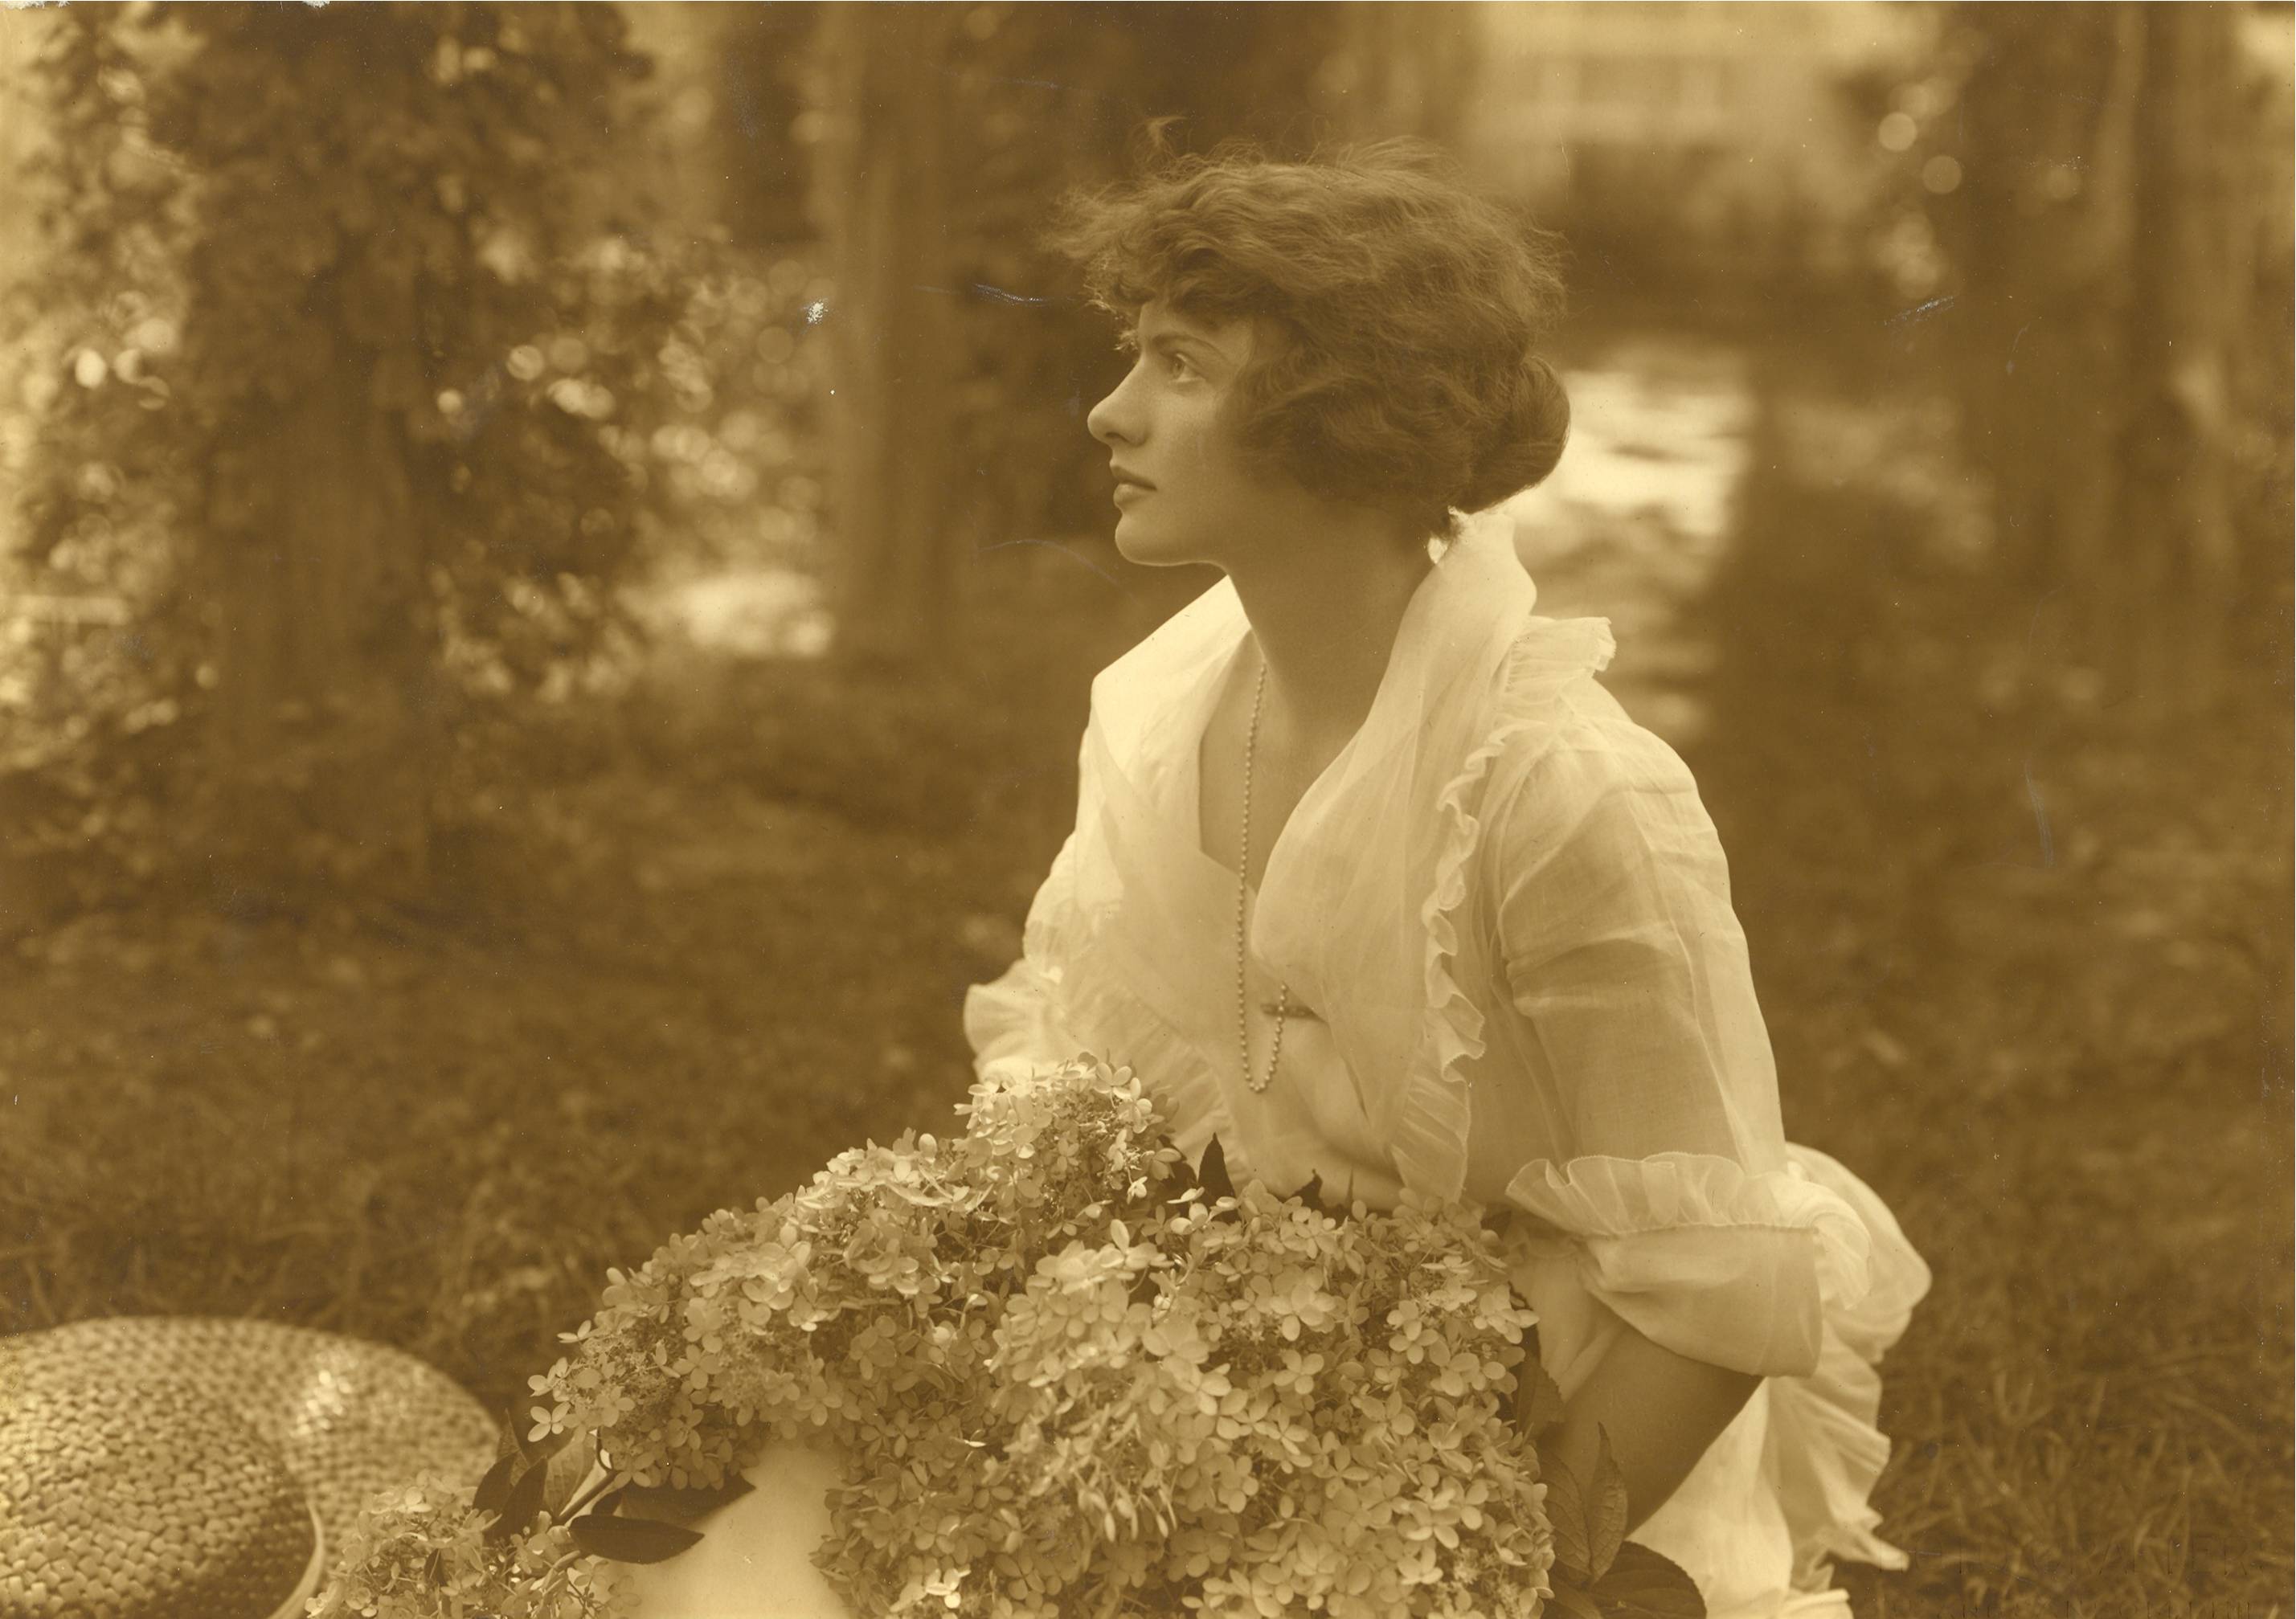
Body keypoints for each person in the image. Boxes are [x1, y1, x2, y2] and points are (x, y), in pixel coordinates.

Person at [628, 139, 1933, 1619]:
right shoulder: (1159, 718)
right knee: (749, 1541)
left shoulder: (1564, 793)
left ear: (1341, 423)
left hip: (1535, 1427)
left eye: (1178, 366)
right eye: (1133, 359)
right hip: (1218, 1375)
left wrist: (1479, 1556)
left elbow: (1710, 1290)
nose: (1107, 410)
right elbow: (1072, 1087)